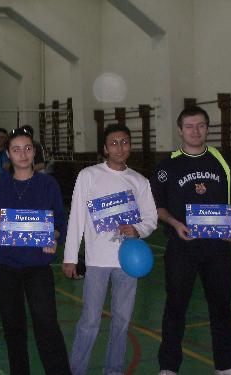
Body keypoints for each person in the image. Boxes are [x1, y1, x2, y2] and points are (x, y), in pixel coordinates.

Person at [150, 106, 231, 375]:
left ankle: (227, 364)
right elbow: (157, 206)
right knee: (175, 307)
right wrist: (174, 223)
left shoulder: (224, 162)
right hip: (181, 247)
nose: (196, 131)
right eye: (190, 126)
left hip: (217, 249)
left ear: (208, 128)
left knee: (221, 306)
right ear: (180, 130)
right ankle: (169, 367)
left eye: (201, 126)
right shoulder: (167, 167)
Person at [63, 123, 158, 375]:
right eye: (114, 143)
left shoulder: (140, 181)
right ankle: (77, 369)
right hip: (96, 262)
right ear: (105, 148)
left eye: (125, 141)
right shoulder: (89, 175)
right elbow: (76, 218)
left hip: (128, 262)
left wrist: (137, 229)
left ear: (130, 145)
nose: (120, 147)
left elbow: (150, 218)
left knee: (122, 322)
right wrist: (71, 257)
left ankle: (113, 370)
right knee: (89, 321)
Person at [0, 127, 71, 375]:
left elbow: (60, 223)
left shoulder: (48, 184)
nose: (22, 154)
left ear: (34, 152)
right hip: (5, 268)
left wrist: (53, 237)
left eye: (27, 148)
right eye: (16, 149)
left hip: (37, 267)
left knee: (47, 326)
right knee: (13, 329)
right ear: (9, 156)